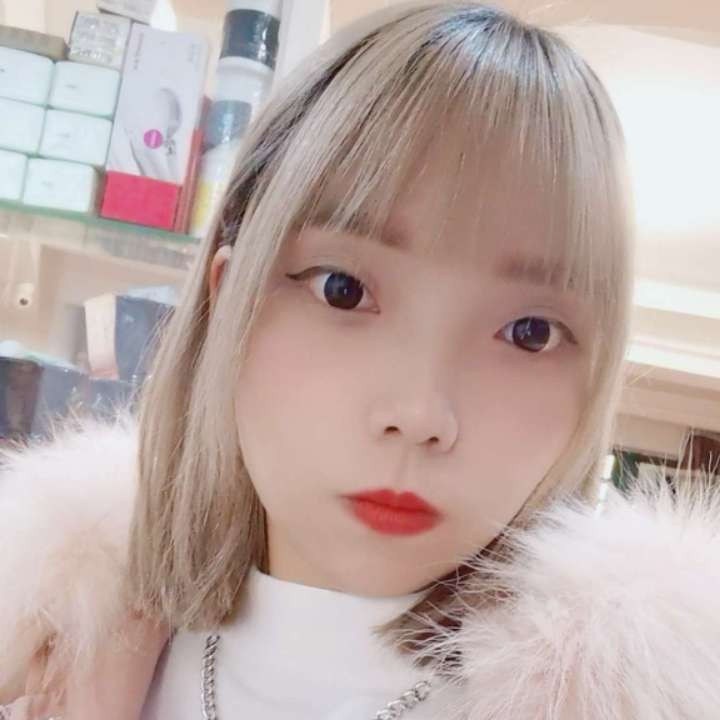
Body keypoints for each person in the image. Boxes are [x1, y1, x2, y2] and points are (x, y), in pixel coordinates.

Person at [2, 2, 719, 718]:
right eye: (342, 290)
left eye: (530, 333)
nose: (420, 414)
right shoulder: (47, 648)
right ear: (230, 304)